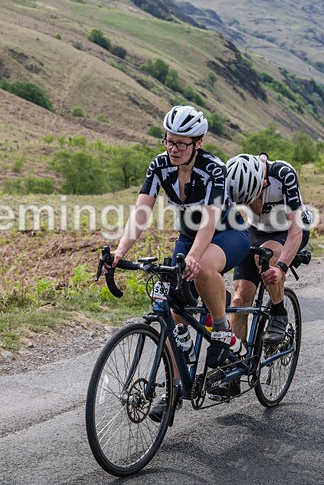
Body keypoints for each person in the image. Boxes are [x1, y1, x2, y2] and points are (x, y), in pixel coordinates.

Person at [107, 105, 250, 421]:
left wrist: (196, 259)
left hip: (228, 234)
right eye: (169, 141)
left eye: (181, 143)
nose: (173, 149)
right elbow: (141, 213)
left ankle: (223, 332)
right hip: (187, 237)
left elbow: (209, 224)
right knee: (169, 310)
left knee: (204, 271)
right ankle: (174, 392)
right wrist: (119, 252)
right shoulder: (159, 166)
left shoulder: (213, 169)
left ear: (198, 143)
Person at [225, 152, 312, 347]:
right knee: (239, 299)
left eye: (252, 198)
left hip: (290, 228)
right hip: (257, 229)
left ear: (263, 184)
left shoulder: (282, 174)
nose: (251, 206)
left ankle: (279, 312)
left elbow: (296, 230)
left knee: (266, 256)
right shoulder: (230, 178)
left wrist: (280, 267)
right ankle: (236, 361)